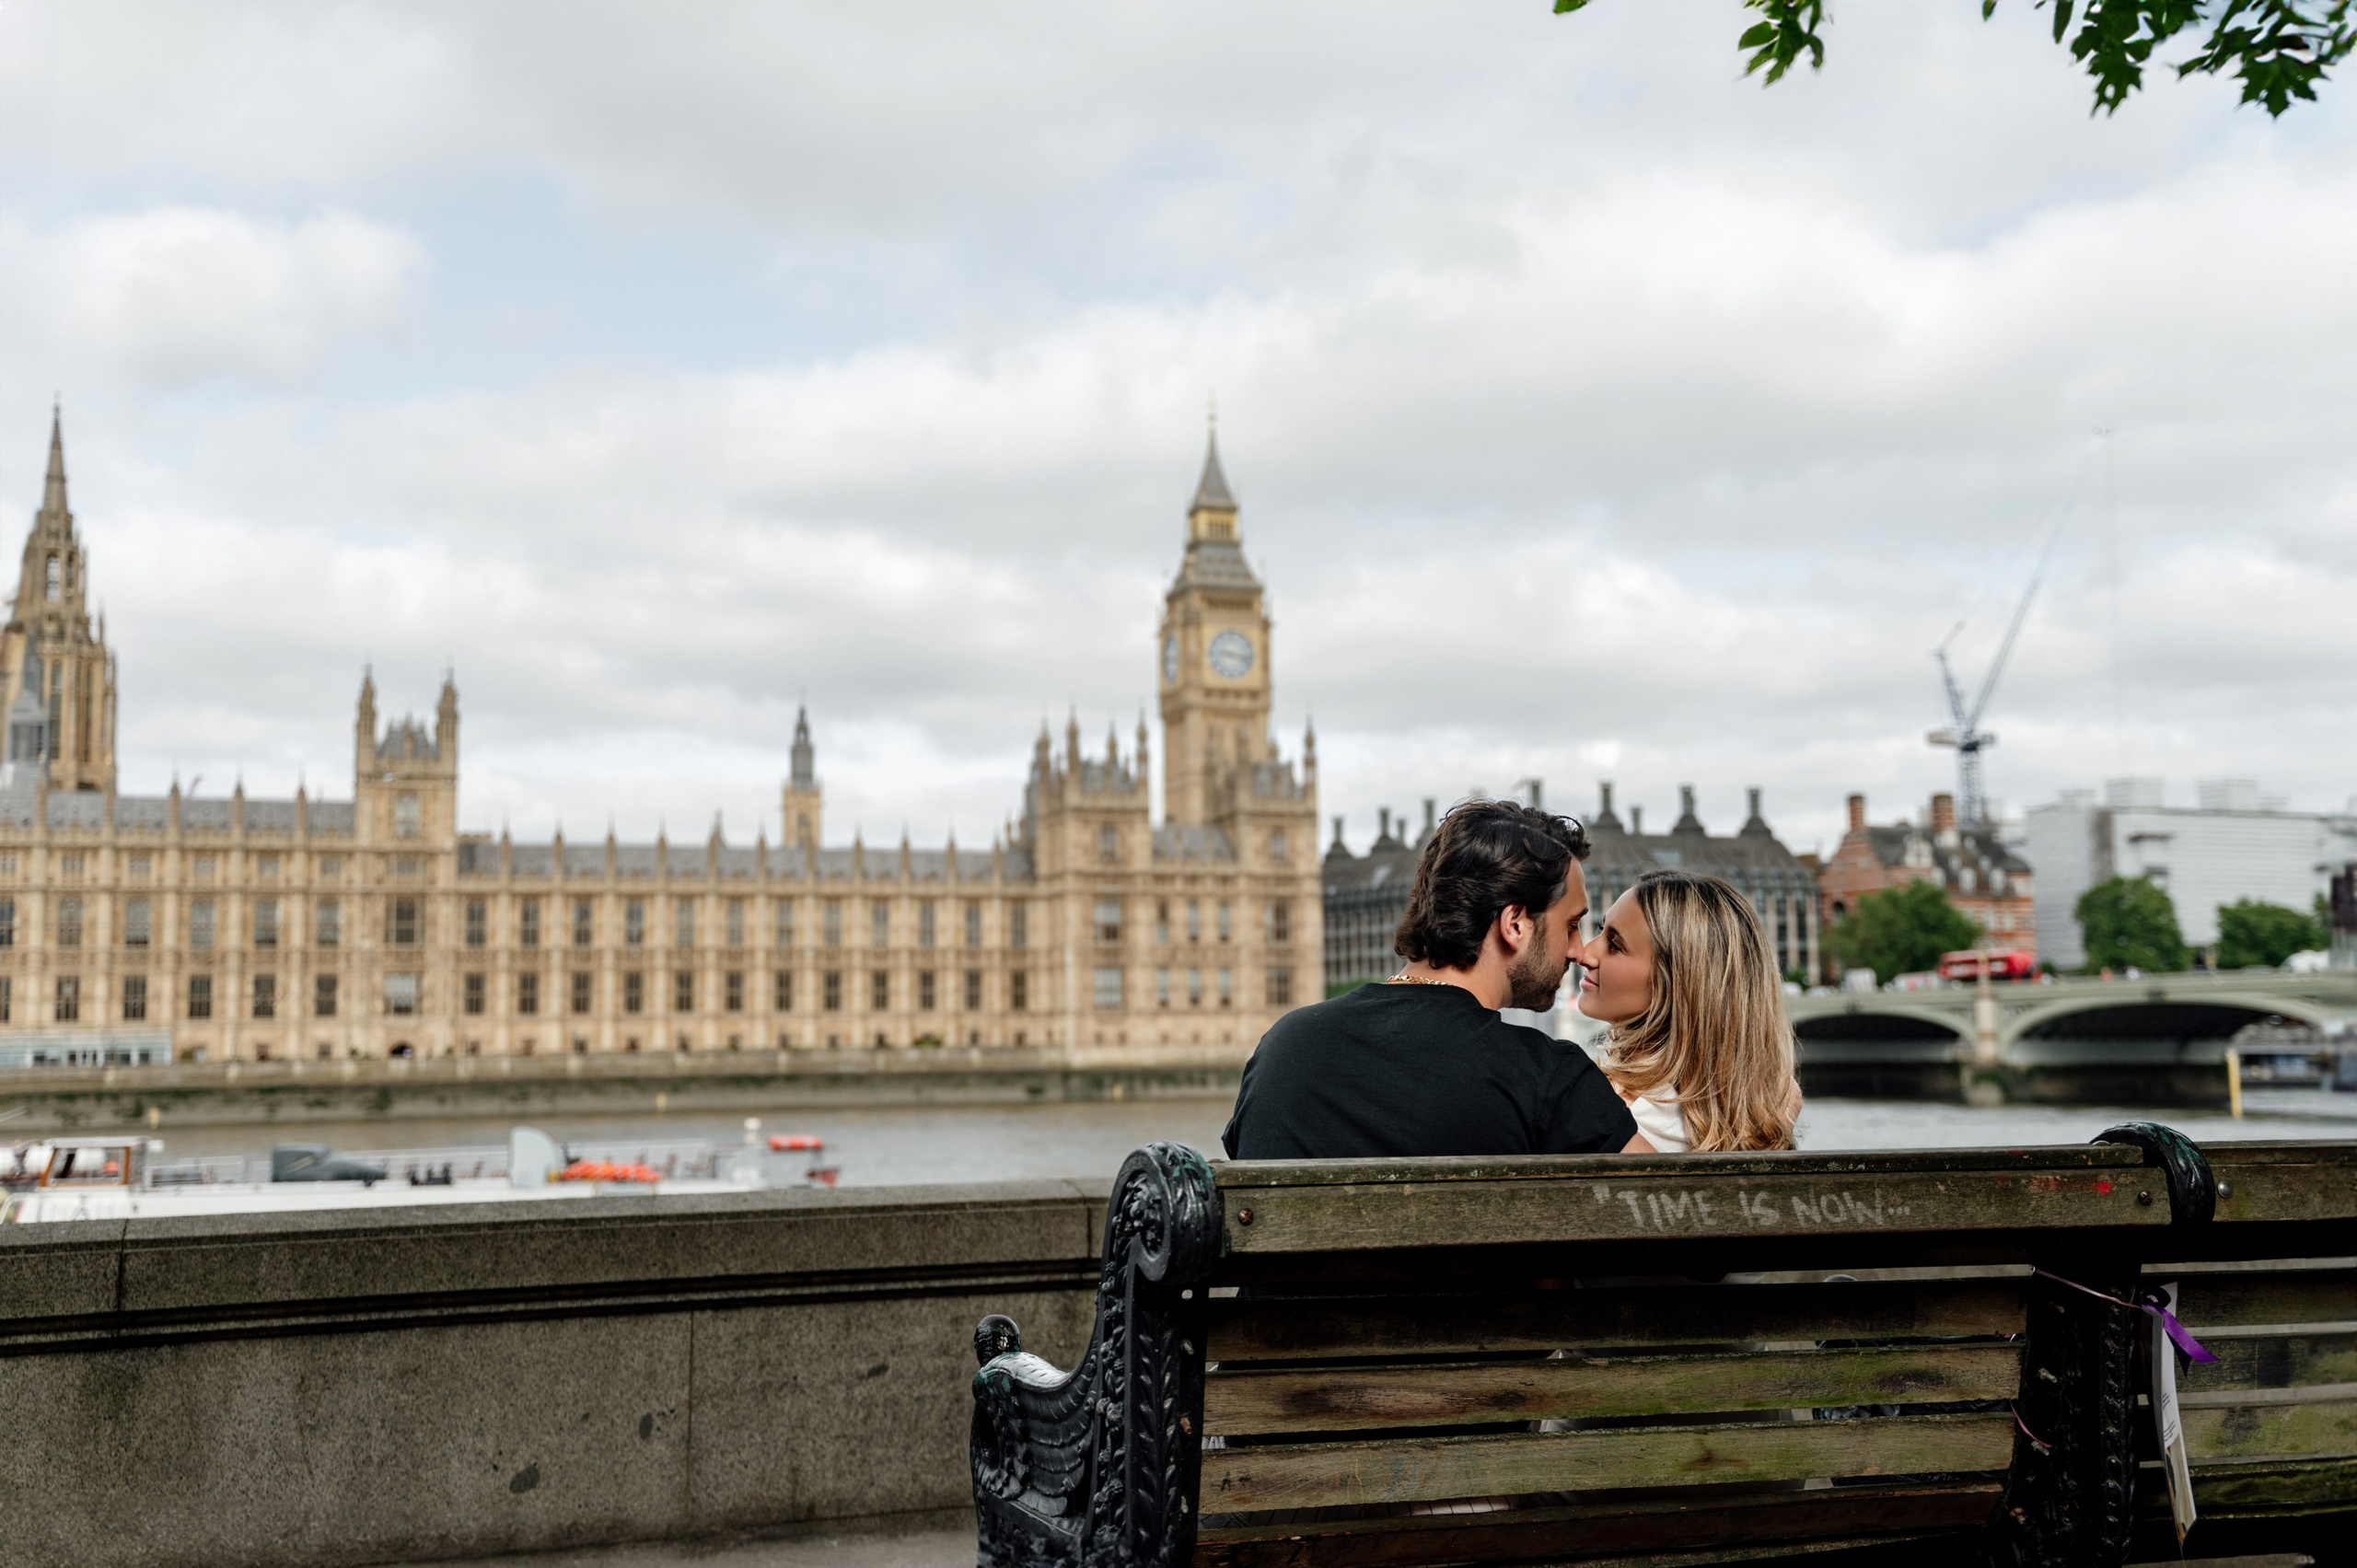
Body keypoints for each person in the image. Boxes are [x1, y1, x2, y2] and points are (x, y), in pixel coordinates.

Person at [1223, 799, 1644, 1160]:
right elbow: (1678, 1220)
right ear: (1515, 923)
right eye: (1571, 925)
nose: (1578, 949)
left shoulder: (1284, 1045)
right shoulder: (1547, 1080)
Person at [1574, 868, 1803, 1152]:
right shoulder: (1768, 1109)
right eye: (1601, 929)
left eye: (1614, 944)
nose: (1585, 953)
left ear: (1679, 981)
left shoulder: (1600, 1112)